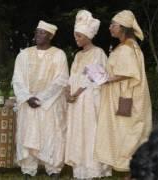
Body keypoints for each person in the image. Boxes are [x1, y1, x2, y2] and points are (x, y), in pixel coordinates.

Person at [94, 10, 152, 173]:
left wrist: (106, 79)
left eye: (114, 25)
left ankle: (131, 167)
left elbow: (128, 72)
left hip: (126, 96)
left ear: (124, 27)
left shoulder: (127, 48)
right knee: (124, 130)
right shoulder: (126, 46)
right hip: (122, 94)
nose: (110, 27)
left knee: (127, 131)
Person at [12, 20, 69, 180]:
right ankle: (28, 169)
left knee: (52, 134)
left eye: (42, 32)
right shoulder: (23, 54)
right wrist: (27, 97)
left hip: (50, 104)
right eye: (37, 32)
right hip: (28, 103)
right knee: (28, 134)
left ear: (50, 36)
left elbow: (61, 80)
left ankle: (53, 169)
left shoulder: (59, 54)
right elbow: (17, 79)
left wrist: (41, 98)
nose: (38, 35)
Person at [64, 10, 112, 180]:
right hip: (76, 101)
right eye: (75, 36)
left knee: (90, 131)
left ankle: (93, 169)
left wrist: (76, 93)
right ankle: (80, 169)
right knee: (78, 131)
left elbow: (94, 78)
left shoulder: (98, 52)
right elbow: (72, 76)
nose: (76, 39)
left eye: (79, 36)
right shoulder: (77, 56)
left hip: (89, 99)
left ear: (87, 36)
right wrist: (68, 92)